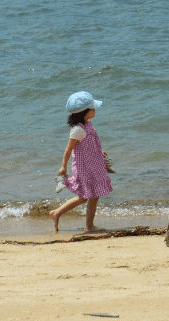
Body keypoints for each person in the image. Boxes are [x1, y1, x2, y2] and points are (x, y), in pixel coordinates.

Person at [49, 91, 114, 233]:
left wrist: (99, 152)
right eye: (93, 108)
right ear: (85, 112)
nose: (95, 110)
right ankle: (61, 215)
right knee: (85, 196)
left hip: (93, 165)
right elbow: (68, 150)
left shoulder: (87, 125)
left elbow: (89, 144)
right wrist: (63, 167)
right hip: (84, 167)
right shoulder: (78, 130)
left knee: (93, 196)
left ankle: (86, 225)